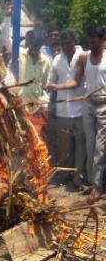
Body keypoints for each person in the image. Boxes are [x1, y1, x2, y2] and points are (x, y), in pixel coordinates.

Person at [47, 26, 106, 196]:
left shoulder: (94, 56)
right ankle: (88, 181)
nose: (91, 45)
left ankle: (93, 183)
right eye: (89, 41)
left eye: (94, 42)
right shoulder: (83, 58)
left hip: (97, 106)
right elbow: (76, 81)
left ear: (102, 41)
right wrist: (56, 87)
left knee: (97, 147)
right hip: (85, 106)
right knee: (89, 145)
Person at [49, 30, 86, 189]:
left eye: (68, 43)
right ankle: (65, 175)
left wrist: (56, 86)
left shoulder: (84, 56)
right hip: (63, 110)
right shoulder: (57, 59)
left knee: (80, 145)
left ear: (75, 41)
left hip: (82, 109)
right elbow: (51, 81)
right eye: (63, 43)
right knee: (64, 145)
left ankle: (78, 178)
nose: (65, 46)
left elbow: (79, 81)